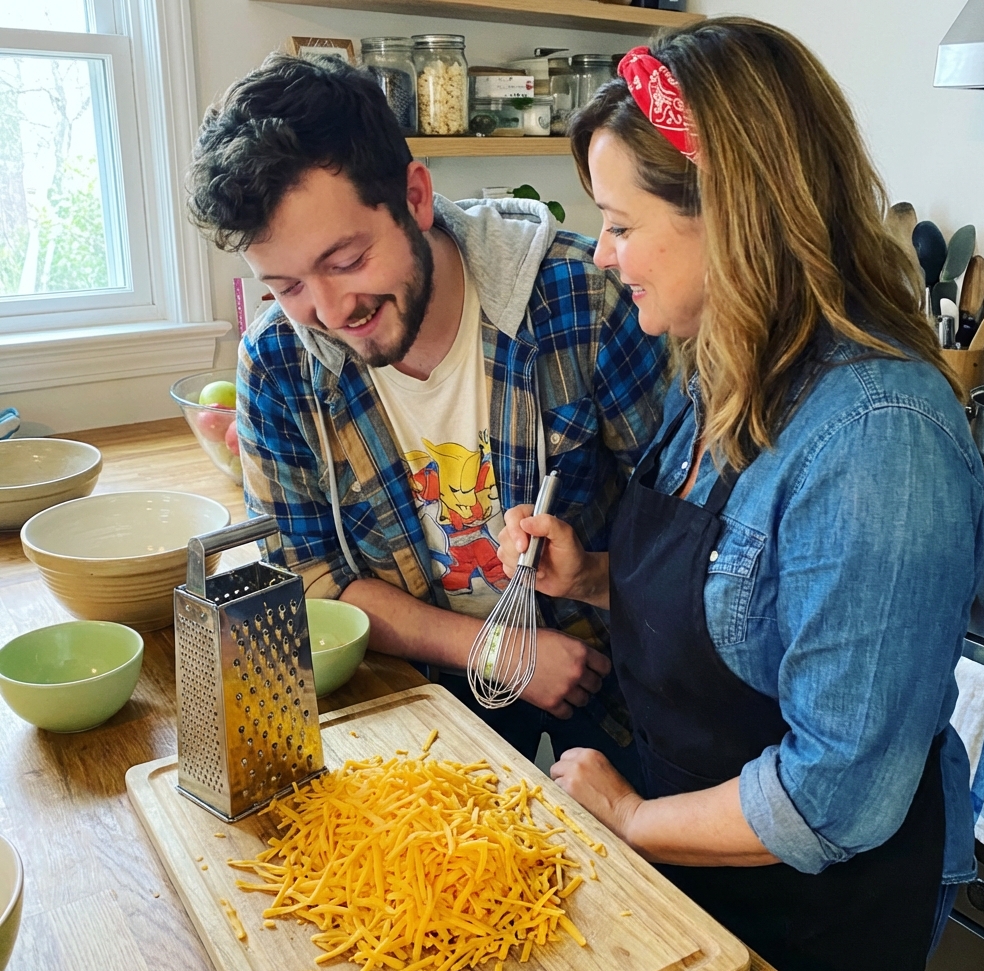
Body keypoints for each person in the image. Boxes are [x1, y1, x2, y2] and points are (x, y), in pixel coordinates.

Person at [497, 19, 984, 971]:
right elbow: (736, 606)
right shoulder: (718, 368)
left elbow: (835, 796)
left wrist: (630, 816)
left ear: (732, 212)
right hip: (695, 874)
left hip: (812, 919)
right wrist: (589, 578)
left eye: (621, 222)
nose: (602, 253)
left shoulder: (877, 440)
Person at [185, 53, 668, 779]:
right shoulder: (279, 360)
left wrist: (589, 577)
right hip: (414, 683)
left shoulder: (583, 299)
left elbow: (685, 536)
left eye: (346, 259)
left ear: (414, 197)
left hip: (612, 668)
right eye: (286, 284)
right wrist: (494, 649)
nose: (329, 312)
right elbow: (307, 577)